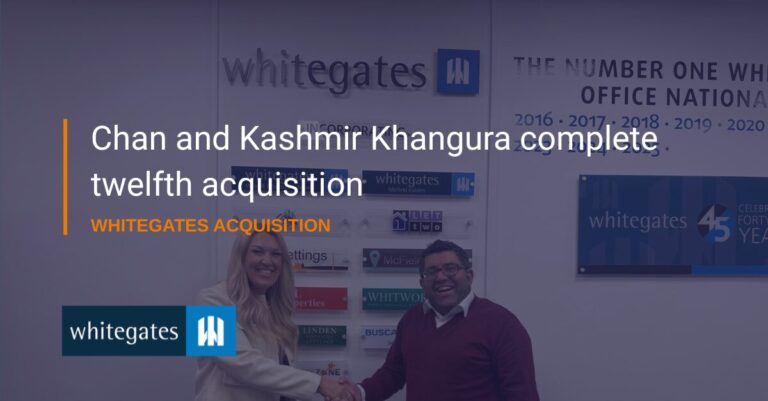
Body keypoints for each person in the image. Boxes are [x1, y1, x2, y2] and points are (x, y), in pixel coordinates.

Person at [341, 240, 539, 401]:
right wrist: (359, 393)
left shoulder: (502, 324)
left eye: (450, 268)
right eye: (432, 271)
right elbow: (393, 373)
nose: (441, 277)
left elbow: (522, 394)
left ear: (469, 276)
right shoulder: (412, 319)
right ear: (422, 282)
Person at [195, 231, 350, 401]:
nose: (267, 261)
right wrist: (319, 384)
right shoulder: (208, 302)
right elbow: (242, 363)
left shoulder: (276, 309)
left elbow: (279, 381)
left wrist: (332, 391)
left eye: (276, 254)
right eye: (258, 251)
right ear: (241, 257)